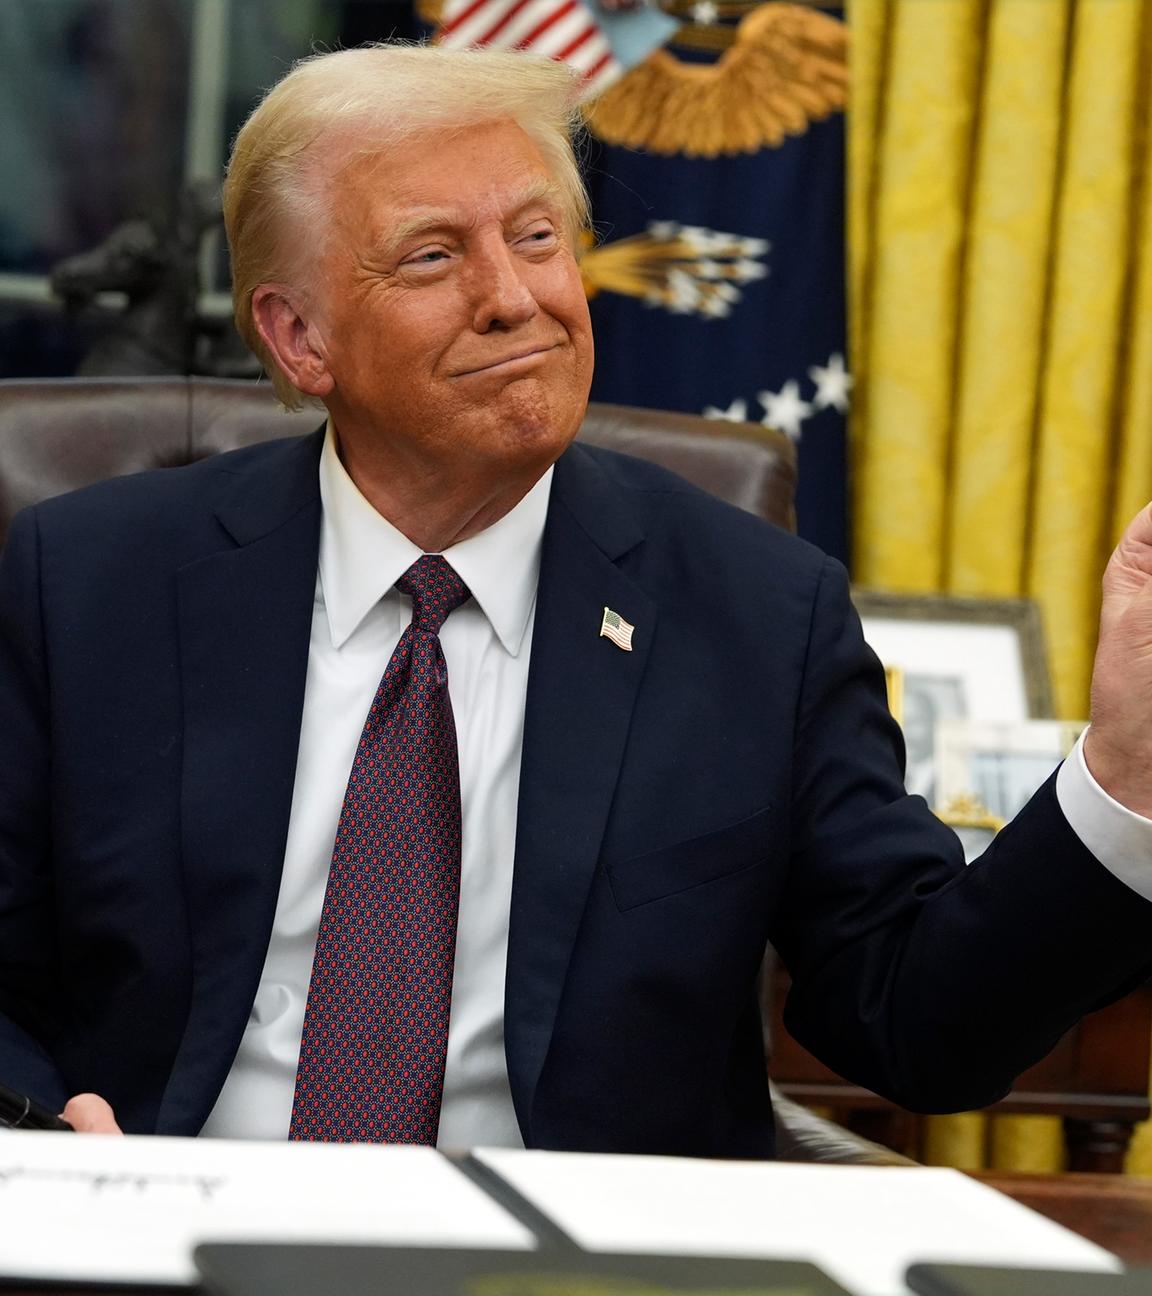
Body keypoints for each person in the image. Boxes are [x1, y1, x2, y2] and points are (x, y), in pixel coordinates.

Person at [2, 44, 1151, 1155]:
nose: (517, 298)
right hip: (172, 1224)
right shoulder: (91, 583)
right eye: (432, 257)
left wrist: (1125, 775)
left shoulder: (756, 613)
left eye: (538, 238)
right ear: (299, 338)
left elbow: (920, 1024)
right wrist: (37, 1127)